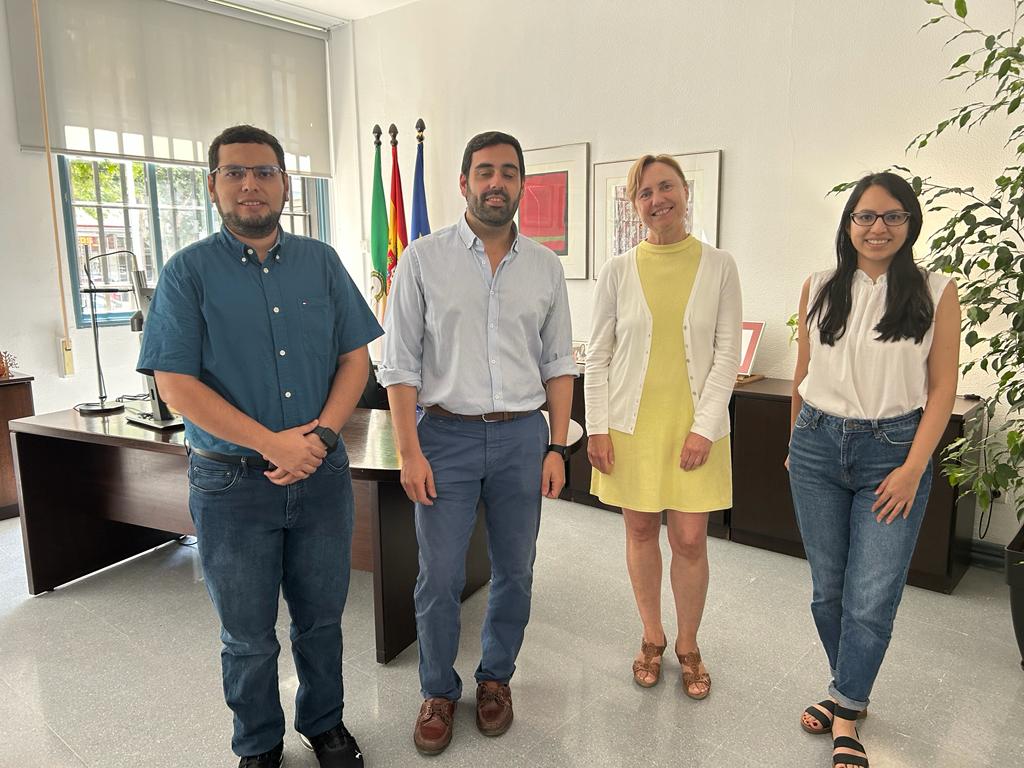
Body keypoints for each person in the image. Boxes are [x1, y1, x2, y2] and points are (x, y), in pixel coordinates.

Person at [137, 124, 382, 768]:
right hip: (230, 485)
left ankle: (324, 725)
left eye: (266, 172)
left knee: (322, 620)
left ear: (284, 184)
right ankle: (258, 746)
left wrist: (322, 436)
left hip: (321, 476)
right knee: (247, 636)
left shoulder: (321, 262)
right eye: (236, 172)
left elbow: (355, 360)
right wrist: (274, 442)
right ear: (213, 185)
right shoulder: (187, 272)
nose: (252, 184)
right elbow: (176, 385)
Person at [377, 130, 576, 756]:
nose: (497, 182)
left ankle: (496, 680)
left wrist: (557, 446)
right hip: (444, 437)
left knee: (515, 571)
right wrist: (409, 451)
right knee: (438, 576)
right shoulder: (422, 259)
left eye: (509, 173)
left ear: (521, 185)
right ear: (463, 182)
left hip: (522, 437)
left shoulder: (545, 267)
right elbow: (399, 364)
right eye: (484, 171)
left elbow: (560, 363)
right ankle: (437, 690)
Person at [788, 172, 960, 768]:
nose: (877, 227)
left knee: (870, 595)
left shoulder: (936, 291)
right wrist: (794, 443)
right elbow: (802, 373)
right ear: (849, 224)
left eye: (891, 216)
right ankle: (848, 691)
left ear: (909, 223)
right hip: (815, 445)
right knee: (827, 591)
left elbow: (942, 390)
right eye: (865, 216)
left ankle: (846, 713)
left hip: (894, 451)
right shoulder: (819, 285)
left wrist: (915, 467)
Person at [585, 154, 742, 698]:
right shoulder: (618, 270)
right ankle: (652, 635)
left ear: (684, 192)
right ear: (636, 205)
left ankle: (689, 644)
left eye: (667, 186)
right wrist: (598, 427)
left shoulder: (720, 265)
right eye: (645, 192)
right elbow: (597, 355)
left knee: (691, 538)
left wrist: (704, 427)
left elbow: (727, 355)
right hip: (632, 425)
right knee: (639, 531)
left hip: (695, 426)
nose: (658, 199)